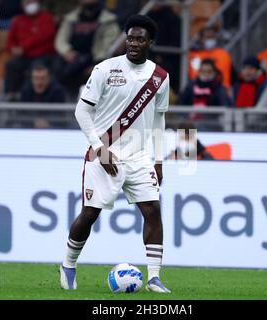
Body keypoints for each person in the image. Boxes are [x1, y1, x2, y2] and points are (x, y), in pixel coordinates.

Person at [59, 14, 171, 293]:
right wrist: (99, 148)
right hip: (103, 153)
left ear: (150, 42)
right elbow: (81, 111)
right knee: (90, 214)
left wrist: (158, 159)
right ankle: (68, 265)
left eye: (140, 39)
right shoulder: (104, 69)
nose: (134, 43)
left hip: (139, 157)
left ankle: (154, 277)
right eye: (130, 37)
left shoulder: (160, 77)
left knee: (153, 211)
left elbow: (159, 120)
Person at [54, 0, 120, 99]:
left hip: (96, 62)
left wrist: (96, 65)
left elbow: (108, 46)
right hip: (73, 62)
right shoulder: (71, 19)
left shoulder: (108, 20)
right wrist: (66, 52)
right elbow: (61, 40)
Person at [5, 0, 57, 98]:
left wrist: (23, 47)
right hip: (25, 56)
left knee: (34, 69)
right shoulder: (18, 20)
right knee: (11, 65)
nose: (30, 4)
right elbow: (10, 41)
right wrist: (13, 48)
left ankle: (29, 98)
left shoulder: (46, 17)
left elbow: (44, 35)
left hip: (43, 55)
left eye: (31, 1)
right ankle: (10, 96)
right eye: (26, 2)